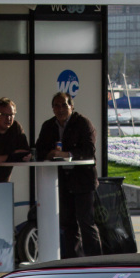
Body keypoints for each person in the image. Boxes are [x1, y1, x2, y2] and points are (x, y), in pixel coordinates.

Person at [35, 92, 102, 258]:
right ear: (52, 108)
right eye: (56, 105)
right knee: (67, 224)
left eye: (64, 105)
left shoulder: (83, 123)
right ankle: (74, 263)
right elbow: (39, 150)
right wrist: (49, 154)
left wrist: (68, 154)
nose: (60, 109)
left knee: (86, 223)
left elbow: (89, 151)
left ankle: (97, 263)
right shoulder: (48, 126)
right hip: (61, 182)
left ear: (72, 106)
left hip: (83, 181)